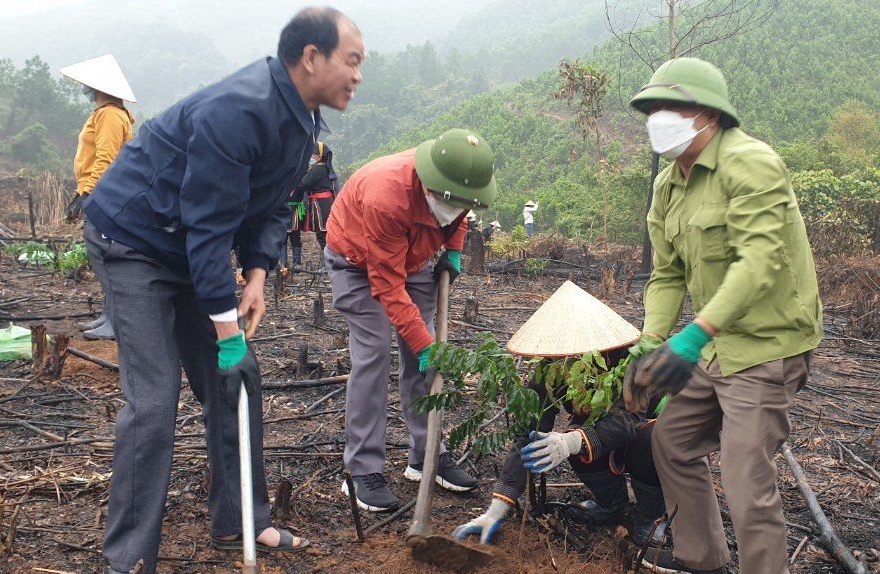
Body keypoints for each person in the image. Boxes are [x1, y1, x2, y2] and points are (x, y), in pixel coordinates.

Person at [83, 7, 363, 574]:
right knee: (154, 399)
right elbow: (209, 232)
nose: (358, 75)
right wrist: (227, 329)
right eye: (352, 60)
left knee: (238, 379)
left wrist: (258, 275)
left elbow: (275, 204)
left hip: (184, 248)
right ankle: (129, 560)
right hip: (132, 241)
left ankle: (241, 518)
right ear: (310, 58)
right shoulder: (237, 110)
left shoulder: (302, 122)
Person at [622, 57, 822, 574]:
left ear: (706, 112)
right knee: (674, 441)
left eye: (669, 108)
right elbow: (667, 274)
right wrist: (653, 338)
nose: (657, 119)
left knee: (745, 479)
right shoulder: (669, 183)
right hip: (711, 345)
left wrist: (694, 334)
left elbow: (759, 261)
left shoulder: (750, 163)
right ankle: (702, 557)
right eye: (651, 109)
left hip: (766, 344)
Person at [325, 128, 494, 512]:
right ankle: (362, 469)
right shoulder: (387, 197)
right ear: (429, 185)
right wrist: (425, 345)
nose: (459, 210)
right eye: (452, 203)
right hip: (357, 260)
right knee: (373, 355)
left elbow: (458, 215)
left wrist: (451, 250)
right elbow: (386, 285)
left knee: (424, 361)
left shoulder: (458, 183)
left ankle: (428, 454)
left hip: (412, 256)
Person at [452, 281, 667, 547]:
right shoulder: (550, 368)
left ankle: (652, 515)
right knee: (574, 434)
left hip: (656, 432)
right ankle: (611, 504)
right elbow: (528, 432)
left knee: (647, 439)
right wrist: (497, 505)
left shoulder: (632, 358)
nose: (565, 360)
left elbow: (630, 421)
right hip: (607, 432)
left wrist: (572, 442)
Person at [59, 54, 137, 340]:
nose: (84, 89)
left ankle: (116, 322)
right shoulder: (106, 114)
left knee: (105, 258)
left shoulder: (110, 115)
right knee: (100, 257)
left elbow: (106, 159)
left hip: (106, 195)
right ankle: (108, 316)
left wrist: (87, 192)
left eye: (87, 84)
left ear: (99, 87)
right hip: (103, 192)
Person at [286, 141, 338, 269]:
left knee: (322, 234)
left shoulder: (317, 168)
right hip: (324, 203)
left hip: (321, 204)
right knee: (324, 234)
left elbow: (303, 184)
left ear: (319, 155)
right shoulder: (324, 168)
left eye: (313, 154)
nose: (311, 157)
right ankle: (328, 264)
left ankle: (327, 265)